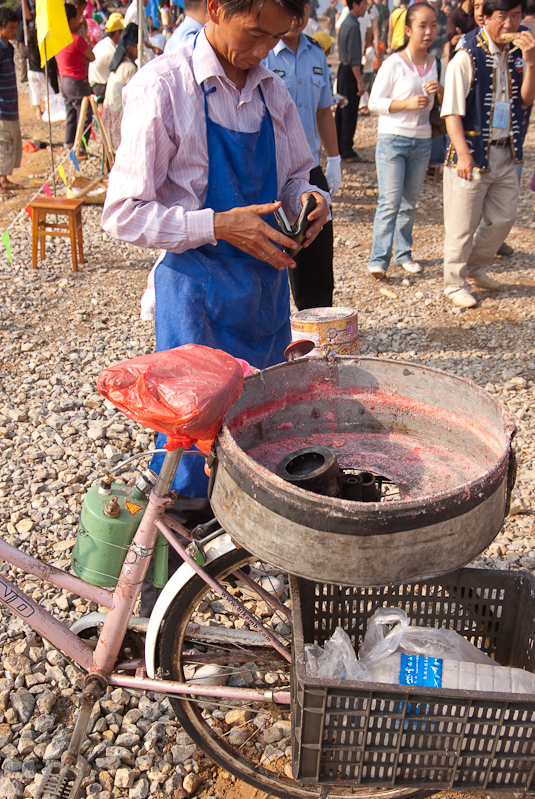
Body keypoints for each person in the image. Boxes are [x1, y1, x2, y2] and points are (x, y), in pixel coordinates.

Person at [102, 0, 329, 612]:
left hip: (262, 295)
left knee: (256, 435)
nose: (264, 51)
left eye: (278, 39)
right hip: (195, 298)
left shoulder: (273, 94)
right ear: (215, 9)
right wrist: (220, 225)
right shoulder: (164, 86)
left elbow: (298, 175)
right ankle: (170, 603)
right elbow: (123, 213)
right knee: (187, 456)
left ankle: (246, 571)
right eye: (256, 33)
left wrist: (309, 203)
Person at [441, 0, 535, 308]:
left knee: (504, 217)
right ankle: (454, 282)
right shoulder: (467, 53)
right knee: (462, 224)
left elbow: (525, 100)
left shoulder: (518, 52)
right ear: (485, 17)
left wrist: (531, 61)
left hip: (506, 150)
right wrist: (464, 154)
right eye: (503, 17)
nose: (511, 24)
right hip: (471, 152)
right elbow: (451, 111)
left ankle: (477, 267)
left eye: (516, 16)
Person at [264, 0, 341, 309]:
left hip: (307, 166)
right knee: (276, 251)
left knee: (317, 247)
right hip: (271, 170)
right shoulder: (263, 50)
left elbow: (324, 112)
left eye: (303, 9)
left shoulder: (316, 52)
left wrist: (333, 160)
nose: (296, 19)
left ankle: (316, 321)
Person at [367, 2, 444, 279]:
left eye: (433, 25)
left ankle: (403, 253)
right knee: (389, 201)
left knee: (410, 202)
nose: (428, 32)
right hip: (392, 139)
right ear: (409, 29)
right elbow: (374, 102)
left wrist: (441, 90)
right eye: (422, 26)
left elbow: (446, 107)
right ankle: (378, 259)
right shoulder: (394, 63)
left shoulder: (437, 63)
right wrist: (406, 103)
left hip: (422, 140)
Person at [55, 3, 95, 150]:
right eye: (77, 18)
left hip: (64, 80)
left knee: (71, 113)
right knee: (85, 115)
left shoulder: (58, 38)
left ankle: (69, 143)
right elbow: (92, 57)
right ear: (71, 20)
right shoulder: (77, 39)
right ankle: (80, 147)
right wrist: (83, 37)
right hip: (77, 81)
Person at [335, 0, 368, 161]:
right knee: (349, 112)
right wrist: (360, 81)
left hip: (343, 70)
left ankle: (340, 148)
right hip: (350, 72)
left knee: (342, 110)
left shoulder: (345, 22)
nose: (366, 7)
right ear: (354, 5)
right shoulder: (353, 26)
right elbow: (355, 59)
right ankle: (347, 150)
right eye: (364, 4)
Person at [102, 23, 138, 149]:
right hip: (120, 116)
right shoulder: (130, 68)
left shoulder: (117, 64)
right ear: (131, 48)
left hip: (109, 113)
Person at [0, 7, 22, 194]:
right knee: (4, 143)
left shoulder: (9, 48)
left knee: (11, 142)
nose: (15, 31)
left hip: (10, 104)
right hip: (2, 107)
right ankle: (2, 180)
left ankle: (4, 178)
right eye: (11, 27)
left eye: (16, 27)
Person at [88, 11, 124, 100]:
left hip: (96, 83)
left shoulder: (104, 43)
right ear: (117, 33)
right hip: (100, 86)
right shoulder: (111, 50)